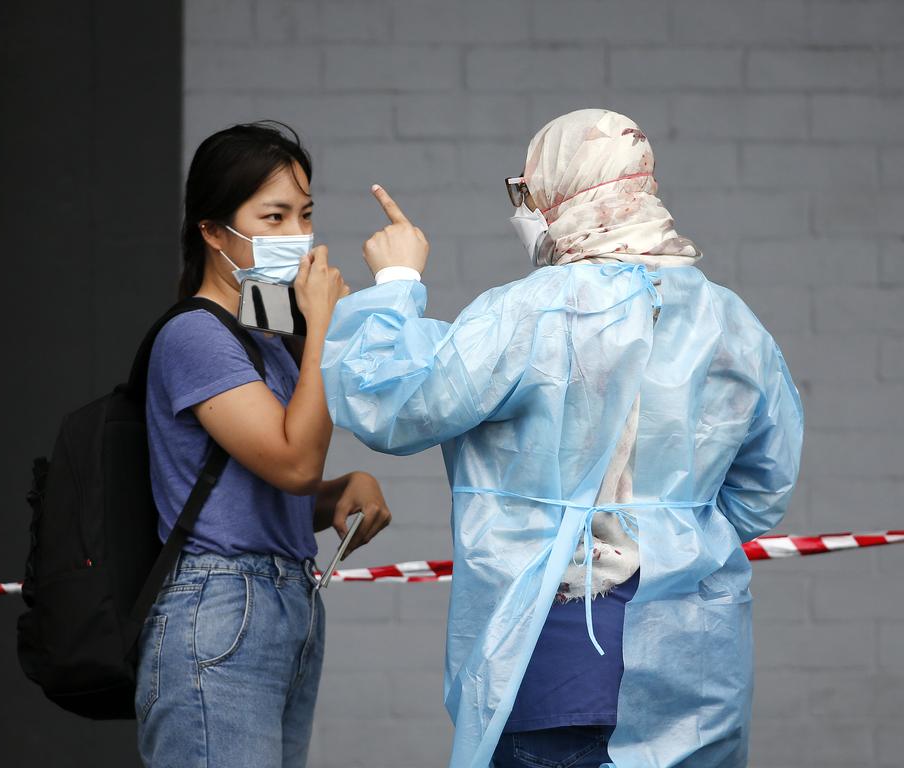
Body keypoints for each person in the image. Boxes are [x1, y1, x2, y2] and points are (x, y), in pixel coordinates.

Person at [321, 109, 804, 768]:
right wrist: (666, 538)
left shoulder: (534, 311)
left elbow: (391, 401)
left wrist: (397, 281)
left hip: (558, 655)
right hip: (696, 663)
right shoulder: (732, 322)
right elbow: (760, 494)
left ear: (556, 193)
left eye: (528, 194)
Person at [135, 122, 393, 768]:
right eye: (272, 216)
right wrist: (324, 327)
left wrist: (335, 495)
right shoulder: (195, 334)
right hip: (221, 607)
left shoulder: (268, 338)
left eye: (304, 216)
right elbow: (297, 460)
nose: (296, 237)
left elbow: (259, 486)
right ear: (213, 232)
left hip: (283, 604)